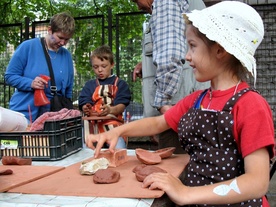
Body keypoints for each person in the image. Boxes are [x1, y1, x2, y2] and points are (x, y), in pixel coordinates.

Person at [86, 1, 275, 206]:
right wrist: (117, 132)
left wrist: (185, 193)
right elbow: (158, 123)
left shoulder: (250, 105)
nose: (186, 56)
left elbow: (257, 182)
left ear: (220, 50)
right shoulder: (197, 100)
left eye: (192, 46)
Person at [132, 0, 209, 153]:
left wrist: (162, 106)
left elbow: (170, 56)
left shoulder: (164, 3)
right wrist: (146, 64)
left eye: (135, 0)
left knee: (174, 168)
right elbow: (175, 45)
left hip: (173, 106)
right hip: (187, 104)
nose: (138, 6)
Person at [5, 12, 75, 122]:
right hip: (25, 115)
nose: (63, 43)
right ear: (50, 30)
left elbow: (68, 89)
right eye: (60, 37)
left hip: (53, 117)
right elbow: (9, 76)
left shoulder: (66, 55)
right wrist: (30, 83)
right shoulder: (28, 47)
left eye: (67, 39)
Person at [78, 45, 131, 149]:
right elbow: (84, 100)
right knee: (86, 150)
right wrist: (86, 106)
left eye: (104, 66)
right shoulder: (90, 85)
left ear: (112, 65)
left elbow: (121, 106)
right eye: (96, 67)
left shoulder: (120, 84)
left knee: (118, 149)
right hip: (92, 127)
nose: (100, 70)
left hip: (113, 125)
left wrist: (110, 110)